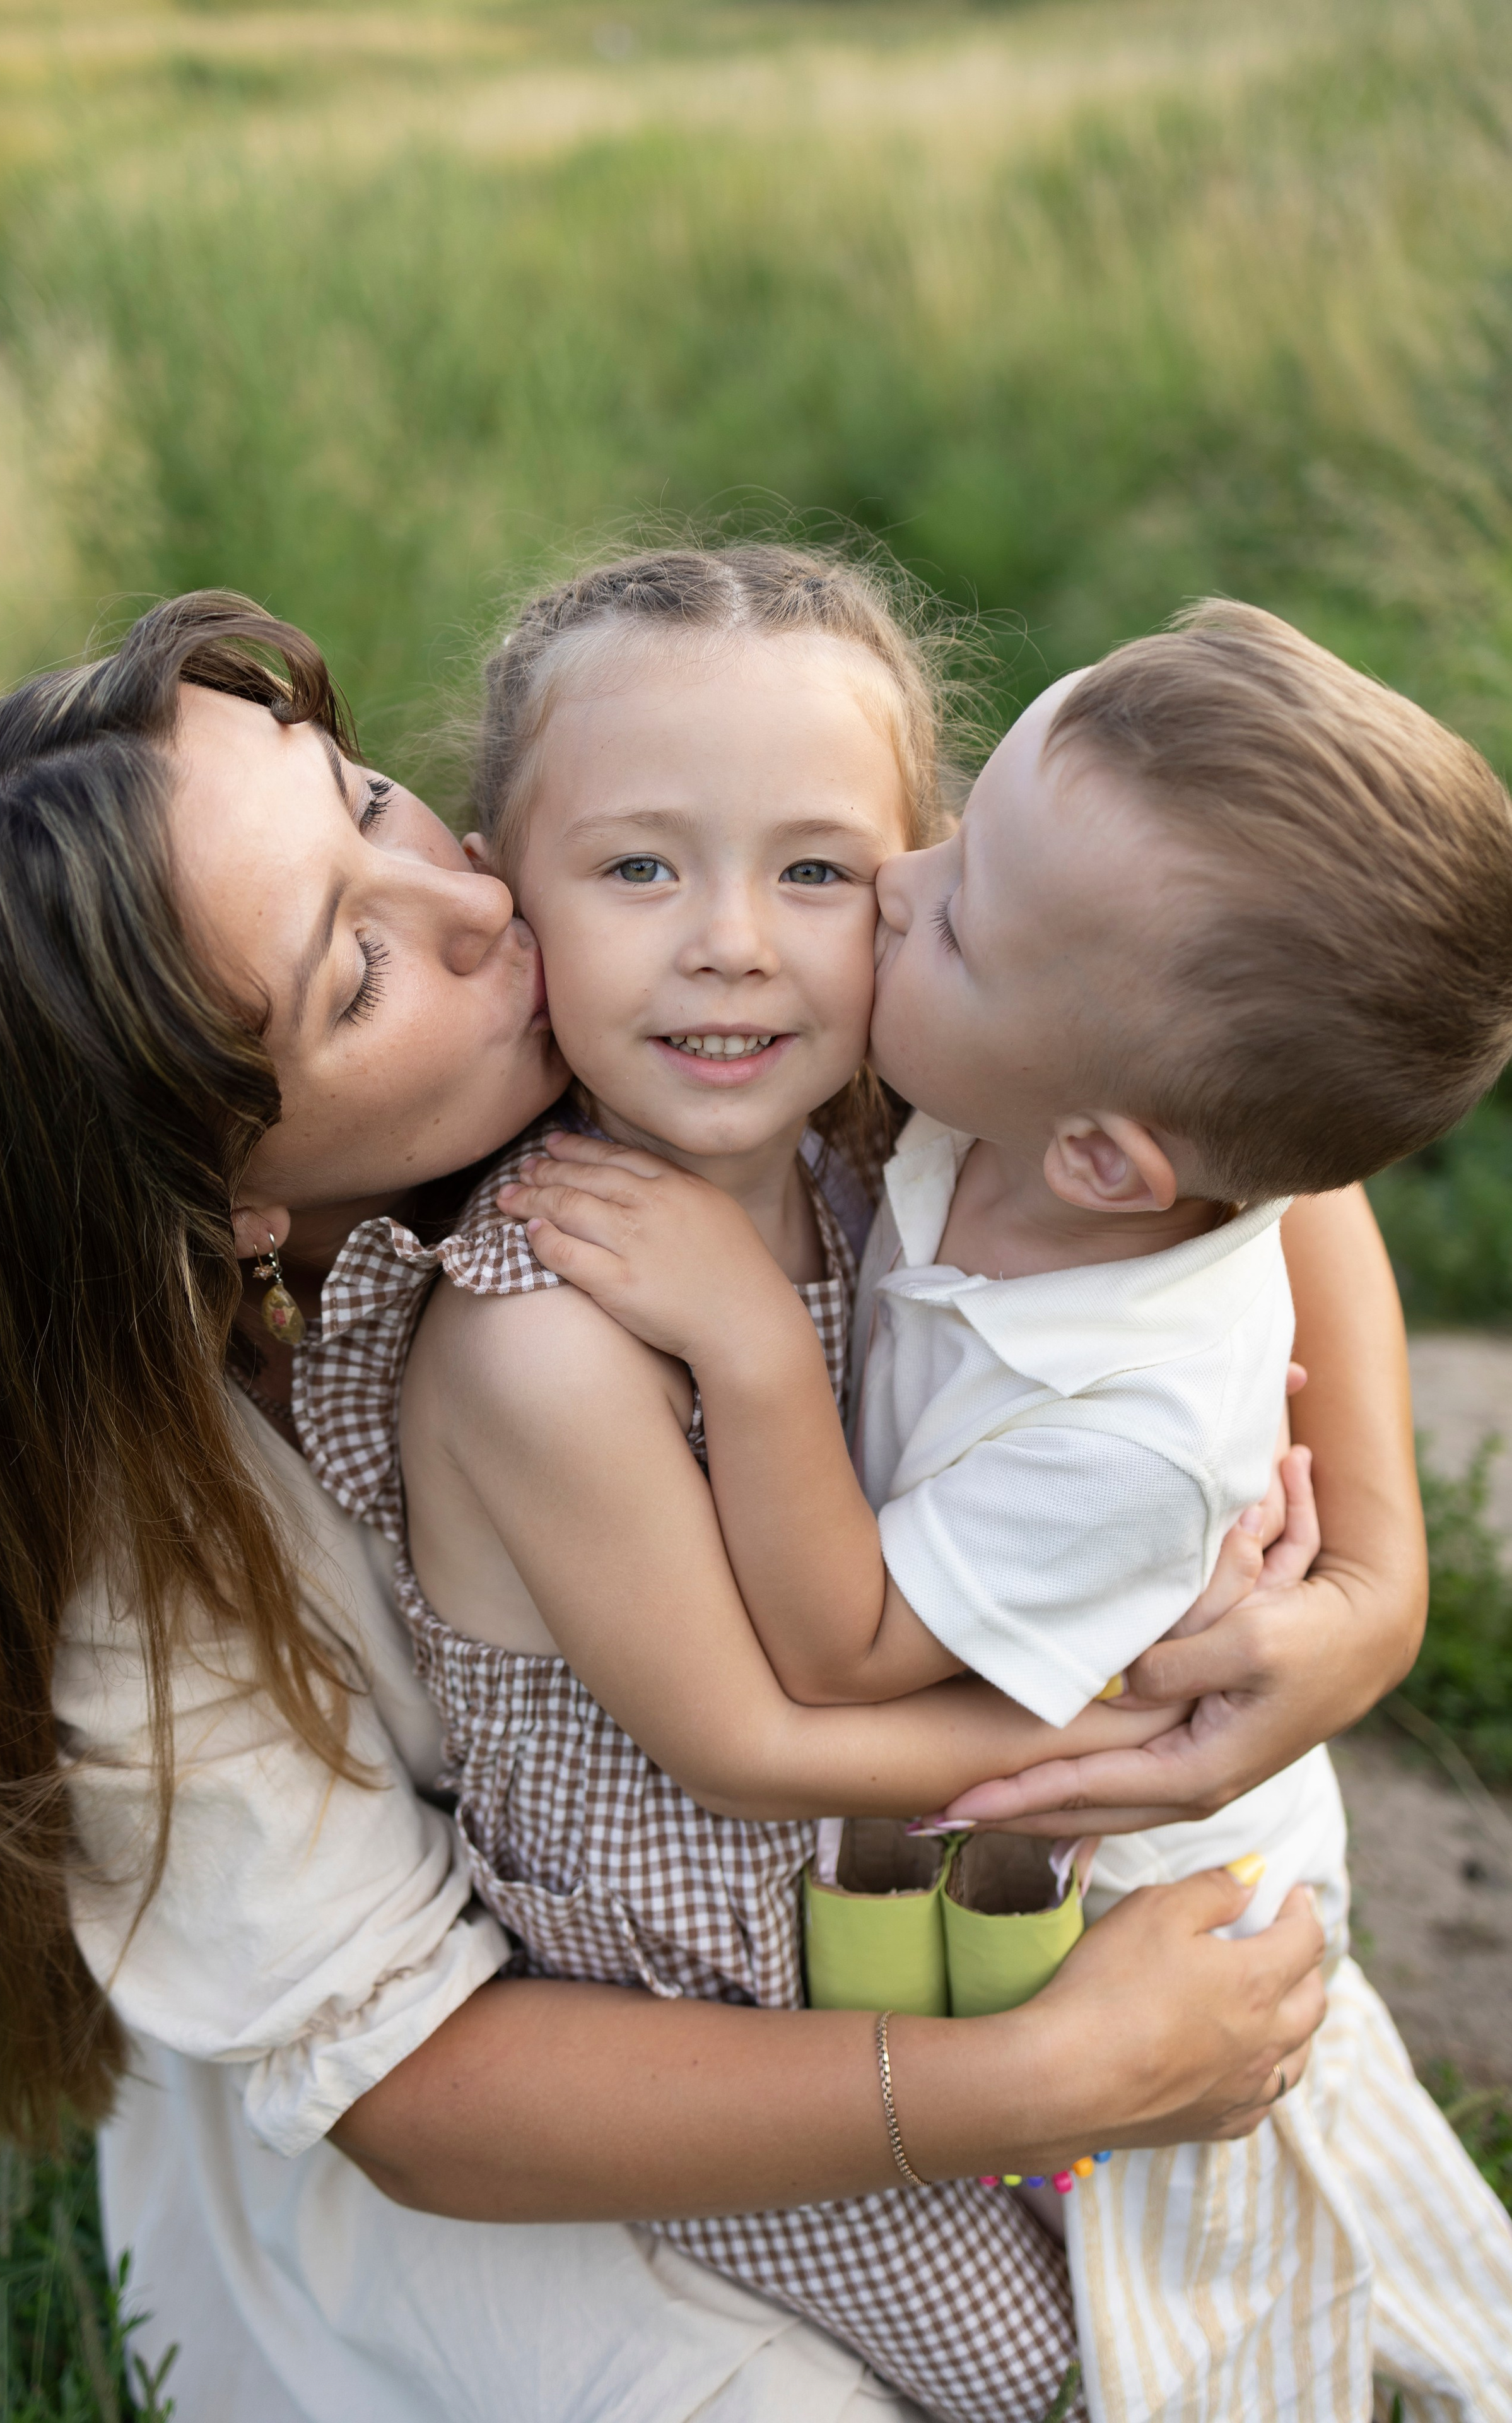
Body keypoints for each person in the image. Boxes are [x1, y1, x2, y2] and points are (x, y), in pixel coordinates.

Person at [0, 590, 1410, 2423]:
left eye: (366, 799)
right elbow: (419, 2088)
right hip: (529, 2079)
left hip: (861, 1919)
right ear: (218, 1202)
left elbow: (1221, 1106)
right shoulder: (145, 1554)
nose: (474, 898)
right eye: (357, 973)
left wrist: (1369, 1594)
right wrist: (1048, 2079)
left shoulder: (719, 1006)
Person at [508, 600, 1512, 2420]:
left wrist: (751, 1342)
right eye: (951, 837)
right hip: (977, 1782)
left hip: (1128, 1873)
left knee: (1172, 2289)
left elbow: (846, 1652)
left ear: (1107, 1162)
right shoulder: (1048, 1096)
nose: (901, 884)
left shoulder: (1126, 1426)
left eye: (956, 910)